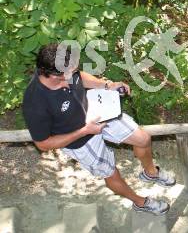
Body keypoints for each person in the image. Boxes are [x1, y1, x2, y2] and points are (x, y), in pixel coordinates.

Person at [22, 43, 176, 215]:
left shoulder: (67, 70)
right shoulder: (35, 102)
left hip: (97, 113)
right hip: (79, 140)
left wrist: (106, 85)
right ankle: (140, 202)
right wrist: (86, 131)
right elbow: (43, 144)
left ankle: (151, 173)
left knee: (143, 139)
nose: (75, 73)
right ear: (53, 75)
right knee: (111, 173)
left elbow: (82, 77)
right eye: (71, 72)